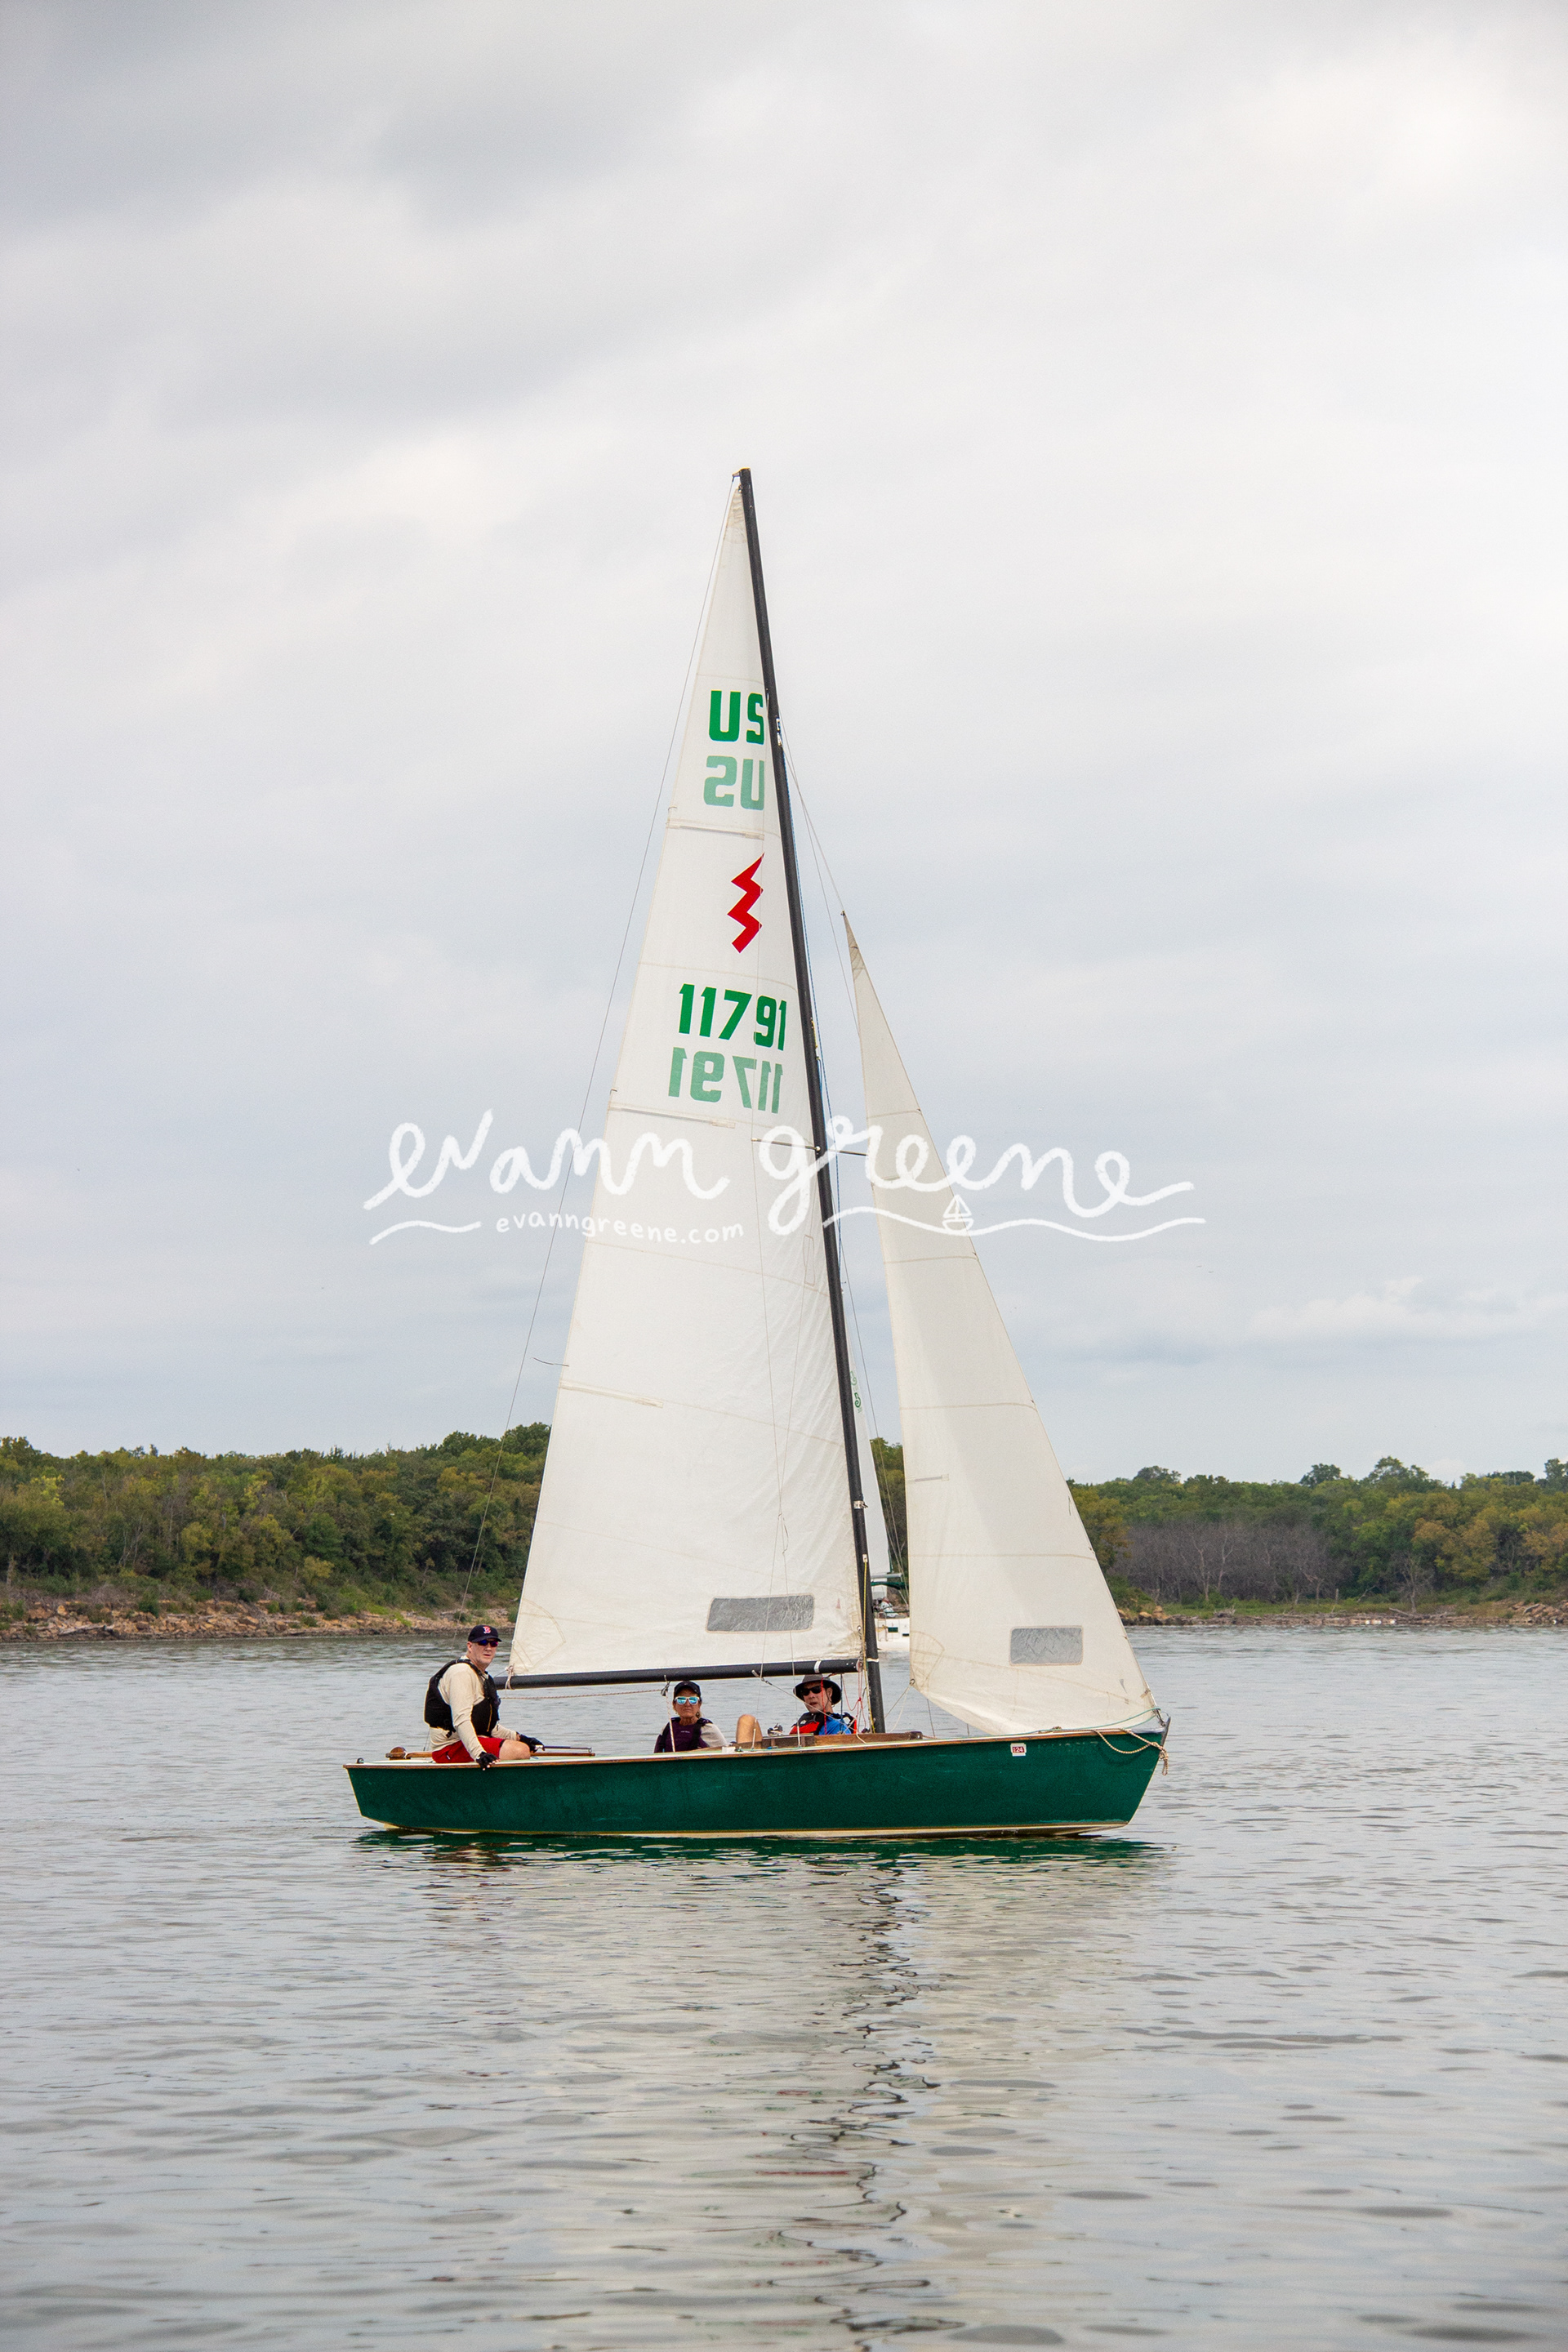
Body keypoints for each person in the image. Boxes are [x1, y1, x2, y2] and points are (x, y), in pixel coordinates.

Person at [425, 1627, 542, 1766]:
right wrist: (479, 1754)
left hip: (467, 1742)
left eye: (493, 1644)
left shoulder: (481, 1676)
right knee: (519, 1751)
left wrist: (521, 1738)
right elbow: (461, 1721)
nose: (488, 1648)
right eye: (482, 1643)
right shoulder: (461, 1673)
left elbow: (489, 1727)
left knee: (523, 1746)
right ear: (470, 1646)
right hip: (449, 1749)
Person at [653, 1680, 724, 1752]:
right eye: (681, 1700)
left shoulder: (709, 1729)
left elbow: (725, 1753)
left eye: (693, 1700)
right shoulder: (668, 1729)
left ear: (699, 1704)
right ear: (674, 1705)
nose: (687, 1704)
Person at [791, 1674, 857, 1737]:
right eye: (805, 1692)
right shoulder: (801, 1724)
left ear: (829, 1692)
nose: (811, 1696)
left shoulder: (838, 1727)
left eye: (816, 1689)